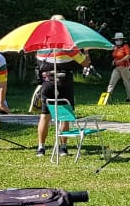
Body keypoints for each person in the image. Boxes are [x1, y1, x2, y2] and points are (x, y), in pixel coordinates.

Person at [34, 16, 90, 156]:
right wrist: (86, 52)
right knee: (65, 115)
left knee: (45, 115)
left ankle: (41, 147)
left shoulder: (41, 46)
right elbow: (84, 63)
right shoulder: (68, 45)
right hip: (64, 81)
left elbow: (39, 62)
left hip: (47, 82)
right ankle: (63, 147)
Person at [107, 32, 130, 102]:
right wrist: (115, 61)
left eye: (118, 39)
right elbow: (115, 56)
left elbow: (129, 55)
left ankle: (129, 98)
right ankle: (107, 98)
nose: (116, 41)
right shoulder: (116, 47)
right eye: (116, 40)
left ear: (121, 40)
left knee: (126, 82)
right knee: (111, 82)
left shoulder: (125, 46)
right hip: (116, 67)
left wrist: (120, 61)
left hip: (125, 67)